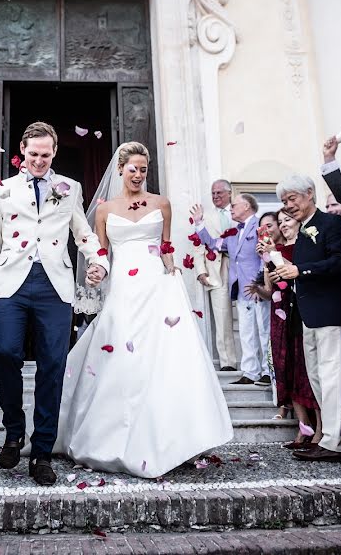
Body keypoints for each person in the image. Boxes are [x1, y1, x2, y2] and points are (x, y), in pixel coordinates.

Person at [54, 142, 233, 478]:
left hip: (158, 286)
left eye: (143, 170)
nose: (137, 175)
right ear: (120, 169)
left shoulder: (161, 204)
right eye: (132, 168)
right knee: (122, 354)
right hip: (124, 288)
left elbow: (166, 247)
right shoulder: (105, 211)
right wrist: (97, 271)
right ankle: (112, 433)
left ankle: (172, 437)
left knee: (162, 357)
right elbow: (101, 253)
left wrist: (178, 274)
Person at [0, 121, 109, 486]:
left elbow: (82, 232)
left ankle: (43, 452)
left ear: (54, 153)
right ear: (23, 150)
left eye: (45, 155)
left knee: (52, 365)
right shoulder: (3, 189)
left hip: (55, 286)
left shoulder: (70, 189)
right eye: (33, 154)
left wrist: (99, 261)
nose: (38, 160)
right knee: (5, 352)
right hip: (10, 282)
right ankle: (13, 430)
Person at [272, 175, 341, 463]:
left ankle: (337, 441)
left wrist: (301, 271)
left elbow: (339, 262)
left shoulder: (330, 223)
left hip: (332, 311)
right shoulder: (304, 229)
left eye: (292, 198)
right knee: (318, 377)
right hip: (308, 314)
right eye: (284, 202)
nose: (288, 206)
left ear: (310, 194)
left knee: (334, 376)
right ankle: (329, 435)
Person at [252, 210, 319, 449]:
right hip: (279, 312)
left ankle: (318, 428)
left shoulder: (303, 246)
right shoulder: (274, 253)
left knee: (305, 367)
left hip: (299, 309)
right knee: (286, 366)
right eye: (280, 222)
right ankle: (303, 427)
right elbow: (271, 290)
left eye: (285, 221)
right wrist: (266, 262)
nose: (282, 225)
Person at [193, 194, 271, 386]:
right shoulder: (233, 232)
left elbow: (266, 256)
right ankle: (250, 372)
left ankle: (268, 371)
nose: (231, 209)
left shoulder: (259, 227)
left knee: (263, 332)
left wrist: (261, 282)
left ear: (246, 206)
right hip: (241, 289)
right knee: (246, 333)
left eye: (234, 205)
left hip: (259, 290)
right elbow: (214, 244)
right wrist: (199, 224)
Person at [193, 179, 238, 371]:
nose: (216, 197)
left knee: (248, 314)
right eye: (213, 194)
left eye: (219, 193)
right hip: (216, 270)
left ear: (229, 193)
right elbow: (197, 245)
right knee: (222, 317)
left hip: (241, 267)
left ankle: (255, 363)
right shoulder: (206, 217)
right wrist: (201, 271)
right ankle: (228, 362)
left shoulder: (240, 211)